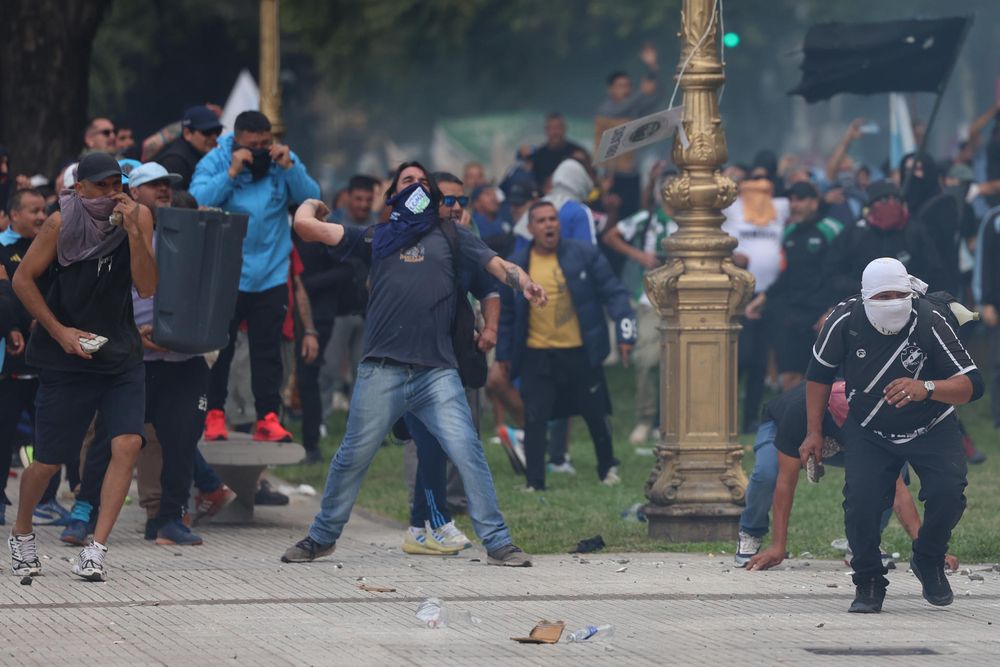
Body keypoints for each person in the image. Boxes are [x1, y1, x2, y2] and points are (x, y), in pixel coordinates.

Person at [282, 161, 546, 567]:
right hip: (380, 371)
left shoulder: (454, 235)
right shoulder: (376, 237)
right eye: (407, 182)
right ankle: (321, 537)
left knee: (467, 450)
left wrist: (525, 283)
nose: (417, 188)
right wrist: (312, 204)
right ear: (391, 196)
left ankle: (498, 542)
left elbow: (499, 268)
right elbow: (306, 229)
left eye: (424, 183)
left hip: (436, 373)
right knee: (352, 456)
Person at [8, 152, 157, 581]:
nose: (113, 195)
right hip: (66, 356)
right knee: (50, 459)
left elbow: (147, 286)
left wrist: (133, 234)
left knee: (127, 442)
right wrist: (60, 332)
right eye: (103, 186)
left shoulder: (139, 216)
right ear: (80, 189)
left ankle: (96, 548)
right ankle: (22, 532)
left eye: (118, 185)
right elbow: (22, 280)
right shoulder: (61, 222)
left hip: (119, 351)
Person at [804, 257, 983, 613]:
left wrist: (926, 387)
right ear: (865, 297)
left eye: (898, 294)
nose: (891, 303)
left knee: (949, 494)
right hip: (869, 428)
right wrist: (813, 432)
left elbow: (972, 384)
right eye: (881, 296)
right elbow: (819, 376)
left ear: (910, 293)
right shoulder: (844, 319)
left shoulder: (931, 320)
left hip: (931, 424)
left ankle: (929, 559)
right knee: (861, 505)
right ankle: (869, 580)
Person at [190, 110, 320, 443]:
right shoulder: (216, 161)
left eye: (266, 143)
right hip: (228, 272)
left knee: (268, 351)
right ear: (236, 140)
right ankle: (214, 416)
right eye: (253, 144)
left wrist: (291, 167)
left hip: (272, 273)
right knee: (221, 349)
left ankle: (268, 417)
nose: (261, 150)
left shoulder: (283, 161)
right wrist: (232, 172)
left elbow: (312, 197)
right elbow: (196, 202)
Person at [735, 381, 957, 573]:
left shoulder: (871, 415)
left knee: (888, 473)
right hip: (781, 426)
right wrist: (778, 546)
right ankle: (751, 531)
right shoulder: (798, 413)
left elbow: (897, 490)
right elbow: (785, 483)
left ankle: (864, 542)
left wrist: (928, 550)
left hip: (842, 436)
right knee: (766, 473)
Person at [498, 201, 635, 491]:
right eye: (542, 221)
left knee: (596, 414)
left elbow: (614, 292)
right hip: (538, 353)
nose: (549, 225)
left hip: (580, 351)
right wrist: (503, 354)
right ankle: (534, 482)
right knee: (535, 417)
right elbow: (508, 315)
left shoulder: (584, 254)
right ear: (531, 228)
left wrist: (626, 333)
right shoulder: (518, 264)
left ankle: (607, 467)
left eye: (553, 219)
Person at [400, 171, 496, 554]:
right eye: (448, 201)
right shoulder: (409, 240)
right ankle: (425, 521)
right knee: (420, 443)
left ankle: (429, 523)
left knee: (447, 442)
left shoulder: (464, 241)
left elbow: (489, 284)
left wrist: (490, 328)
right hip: (411, 358)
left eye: (461, 201)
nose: (456, 208)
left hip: (452, 357)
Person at [601, 162, 677, 444]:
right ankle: (646, 418)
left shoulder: (693, 221)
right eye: (665, 187)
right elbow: (611, 236)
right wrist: (638, 256)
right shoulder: (647, 219)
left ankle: (670, 421)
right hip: (651, 299)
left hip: (686, 301)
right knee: (646, 360)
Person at [744, 182, 843, 390]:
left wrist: (832, 310)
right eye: (791, 200)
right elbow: (786, 274)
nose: (794, 205)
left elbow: (840, 274)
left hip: (821, 314)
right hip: (793, 312)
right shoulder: (788, 232)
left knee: (818, 380)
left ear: (814, 203)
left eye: (800, 200)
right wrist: (762, 299)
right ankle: (795, 422)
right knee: (789, 378)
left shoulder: (832, 229)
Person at [723, 165, 789, 432]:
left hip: (770, 293)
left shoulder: (779, 208)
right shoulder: (733, 209)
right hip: (740, 292)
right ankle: (726, 416)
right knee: (740, 358)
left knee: (761, 362)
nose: (760, 187)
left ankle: (750, 417)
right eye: (754, 182)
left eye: (766, 183)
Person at [0, 189, 47, 525]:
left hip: (48, 358)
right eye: (33, 211)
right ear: (13, 214)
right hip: (13, 361)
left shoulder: (50, 245)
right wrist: (15, 327)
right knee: (4, 434)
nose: (41, 217)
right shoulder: (3, 248)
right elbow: (8, 295)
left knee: (49, 435)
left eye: (43, 210)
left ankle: (47, 500)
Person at [321, 175, 380, 414]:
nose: (363, 205)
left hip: (368, 310)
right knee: (329, 369)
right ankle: (321, 420)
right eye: (358, 199)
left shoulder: (379, 226)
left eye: (368, 199)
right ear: (348, 197)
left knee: (364, 373)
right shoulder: (334, 223)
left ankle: (361, 424)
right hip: (337, 308)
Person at [155, 106, 224, 190]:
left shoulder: (211, 156)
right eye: (207, 132)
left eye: (218, 131)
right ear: (188, 133)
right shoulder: (175, 161)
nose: (214, 137)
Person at [522, 113, 585, 191]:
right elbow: (532, 183)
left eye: (558, 128)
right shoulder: (539, 155)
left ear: (564, 129)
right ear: (546, 130)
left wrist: (582, 162)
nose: (555, 132)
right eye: (552, 128)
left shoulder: (577, 152)